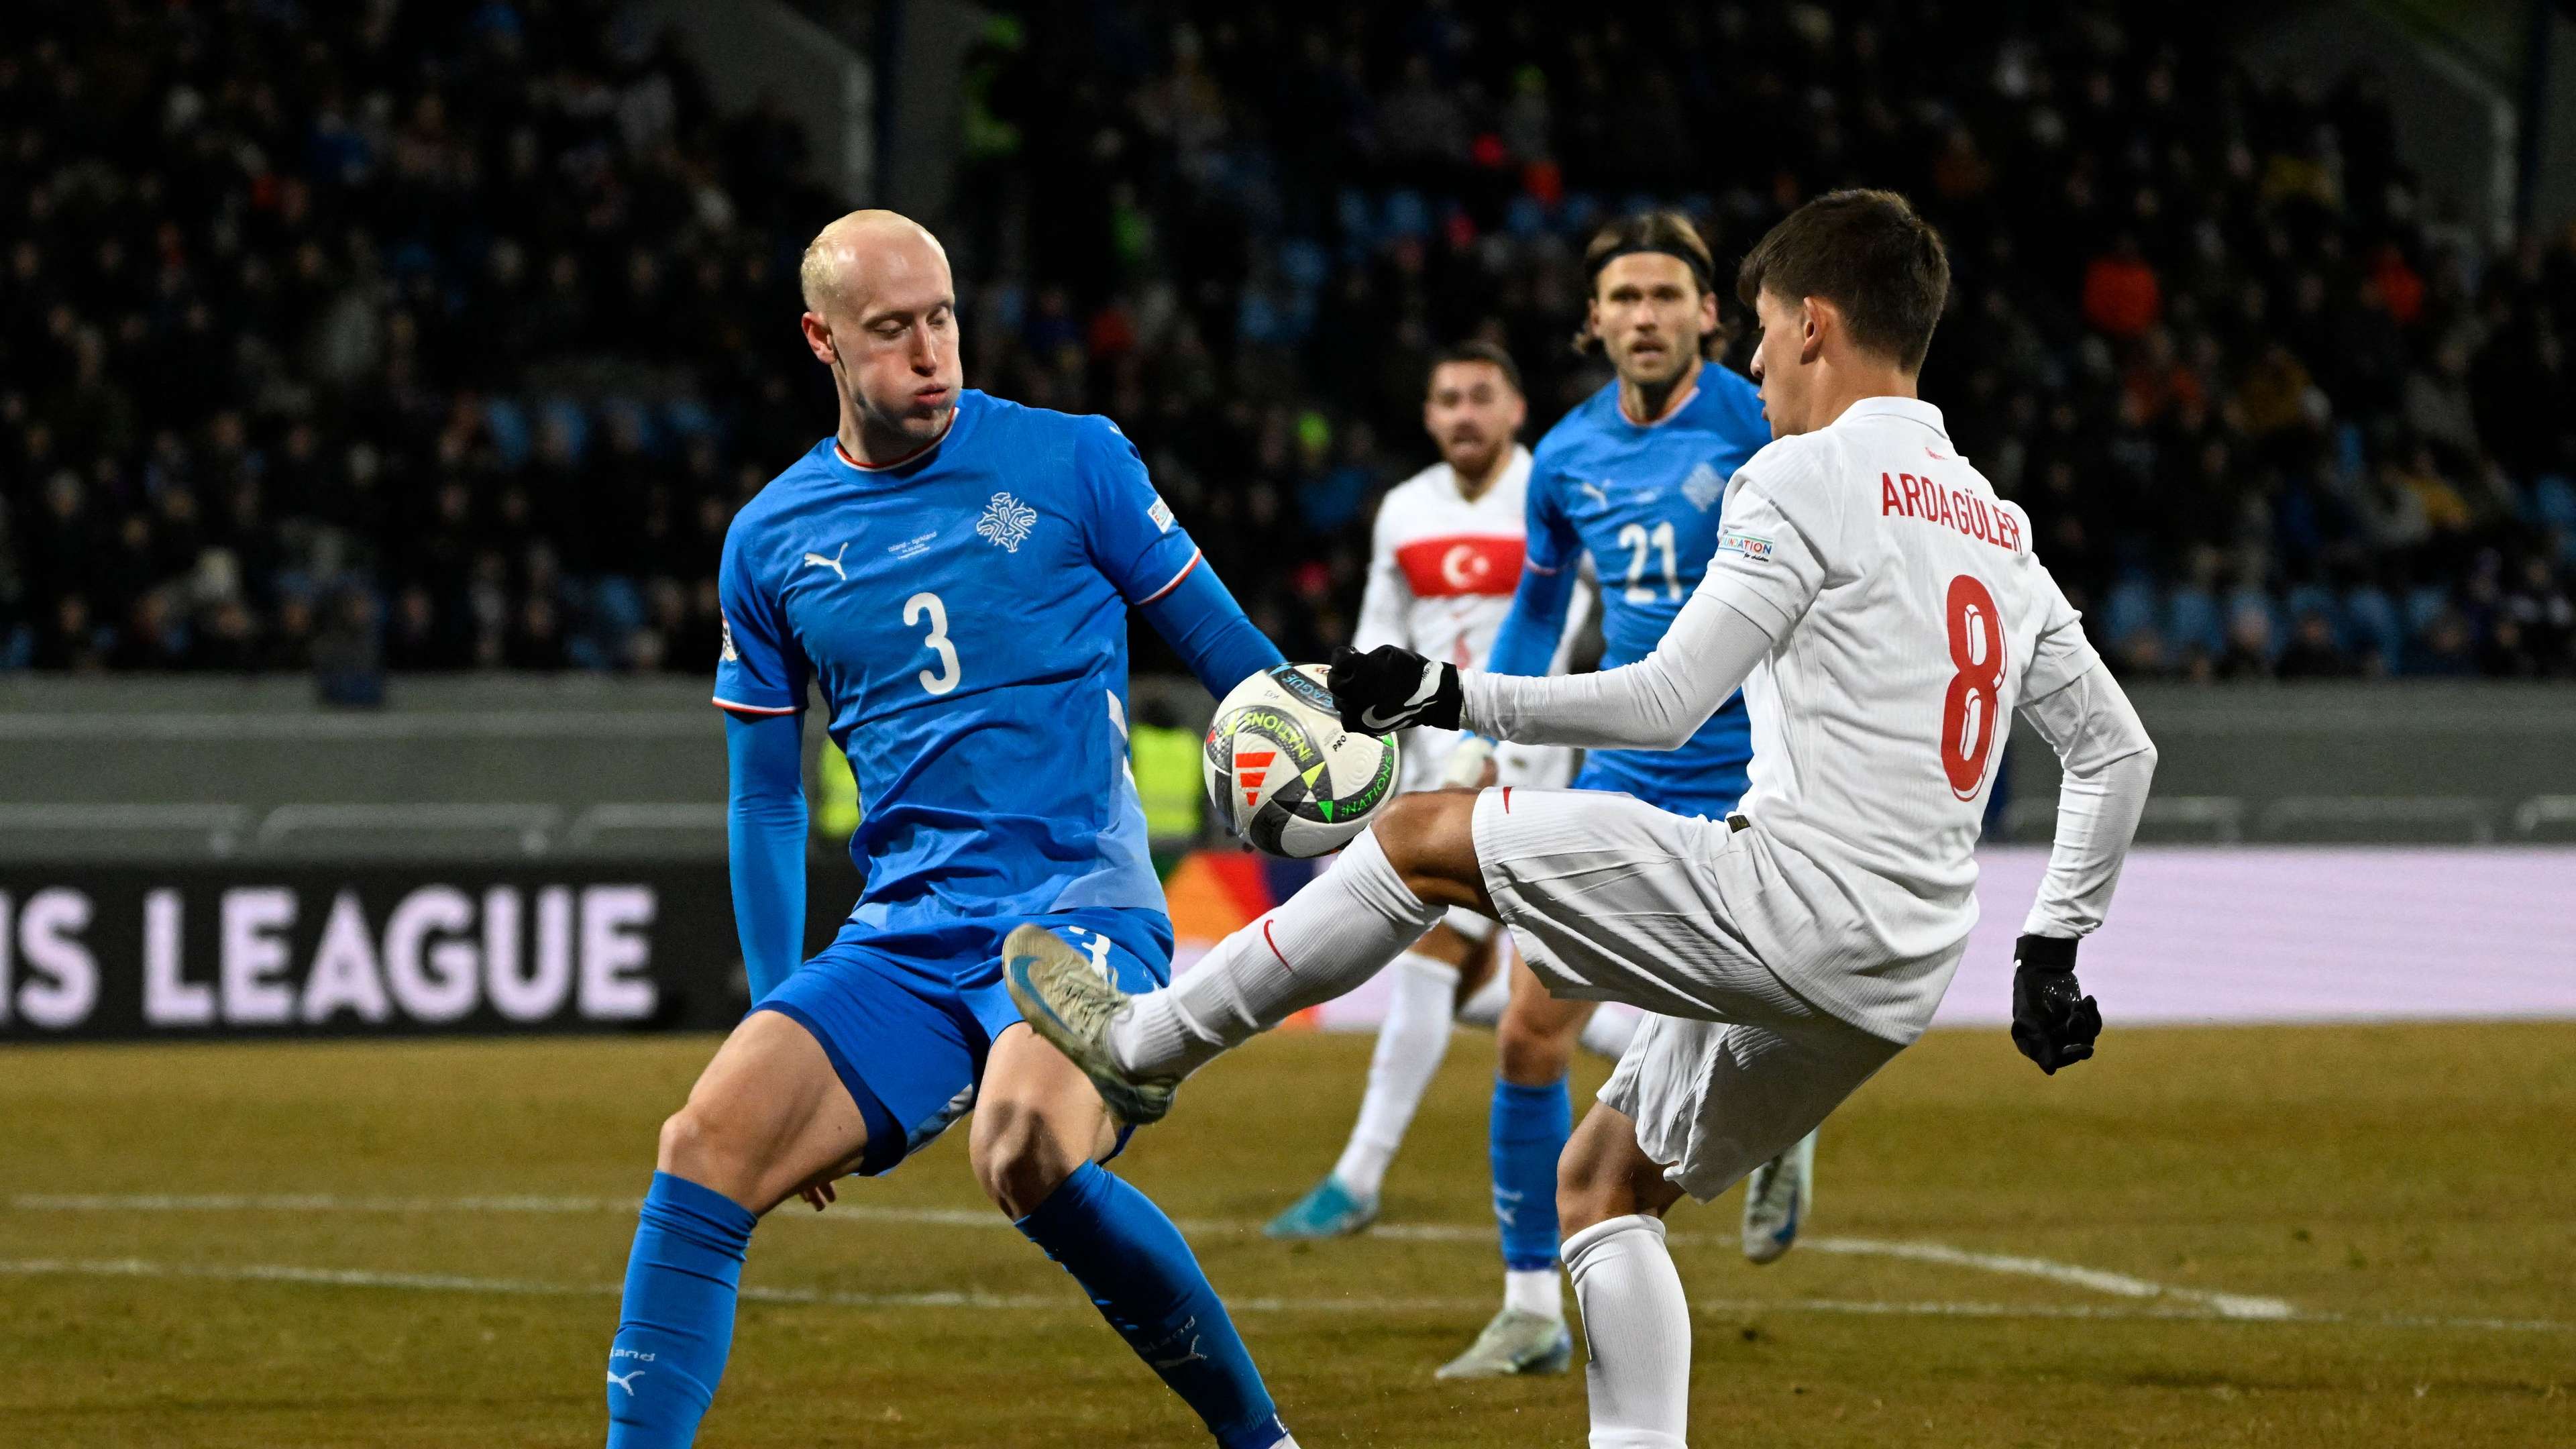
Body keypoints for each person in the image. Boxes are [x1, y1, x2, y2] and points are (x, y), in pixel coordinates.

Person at [1006, 189, 2156, 1449]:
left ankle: (1149, 1044)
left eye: (1764, 329)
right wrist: (2052, 947)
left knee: (1413, 839)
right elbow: (2116, 748)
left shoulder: (1799, 475)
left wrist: (1444, 690)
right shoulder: (1996, 519)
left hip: (1787, 898)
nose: (1756, 359)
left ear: (1816, 324)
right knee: (1605, 1188)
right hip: (1908, 967)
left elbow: (1664, 701)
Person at [603, 210, 1301, 1449]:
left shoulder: (1075, 461)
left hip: (1077, 906)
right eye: (891, 330)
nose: (931, 352)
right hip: (907, 934)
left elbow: (1240, 669)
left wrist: (1327, 739)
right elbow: (766, 794)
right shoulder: (769, 541)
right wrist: (779, 1005)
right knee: (704, 1141)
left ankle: (1263, 1443)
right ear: (820, 339)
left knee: (1022, 1145)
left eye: (943, 319)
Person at [1440, 212, 1811, 1381]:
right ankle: (1529, 1309)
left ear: (1711, 314)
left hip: (1755, 773)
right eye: (1624, 298)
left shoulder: (1767, 422)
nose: (1645, 316)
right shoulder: (1563, 458)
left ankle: (1779, 1128)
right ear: (1593, 321)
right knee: (1527, 1031)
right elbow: (1541, 615)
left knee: (1751, 1008)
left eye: (1667, 296)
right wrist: (1481, 728)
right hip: (1626, 773)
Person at [1264, 340, 1626, 1246]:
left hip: (1521, 758)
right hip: (1428, 765)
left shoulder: (1552, 490)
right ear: (1429, 416)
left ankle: (1357, 1177)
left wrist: (1494, 740)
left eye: (1480, 397)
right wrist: (1359, 730)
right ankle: (1689, 1056)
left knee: (1429, 963)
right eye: (1447, 399)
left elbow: (1578, 613)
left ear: (1515, 409)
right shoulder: (1405, 509)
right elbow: (1380, 628)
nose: (1463, 413)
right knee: (1500, 990)